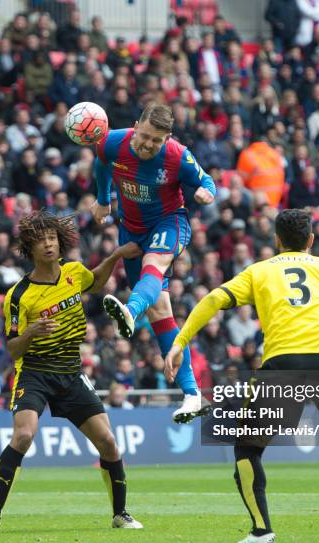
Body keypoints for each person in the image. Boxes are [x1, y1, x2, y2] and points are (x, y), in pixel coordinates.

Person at [165, 209, 319, 543]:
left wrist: (179, 343)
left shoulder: (259, 272)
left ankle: (261, 532)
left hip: (282, 364)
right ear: (311, 240)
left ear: (277, 240)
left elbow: (212, 299)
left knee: (247, 448)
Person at [0, 212, 143, 533]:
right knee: (23, 436)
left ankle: (120, 513)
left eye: (52, 238)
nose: (48, 244)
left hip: (70, 370)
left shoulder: (73, 272)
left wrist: (117, 255)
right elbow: (12, 350)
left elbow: (95, 280)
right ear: (30, 248)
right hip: (35, 372)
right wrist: (31, 333)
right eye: (41, 240)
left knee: (108, 442)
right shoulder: (19, 295)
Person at [92, 103, 216, 424]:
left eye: (156, 141)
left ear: (167, 139)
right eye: (144, 136)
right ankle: (191, 394)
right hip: (130, 229)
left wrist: (205, 192)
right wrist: (104, 200)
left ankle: (130, 313)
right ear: (135, 125)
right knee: (161, 313)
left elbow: (208, 182)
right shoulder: (112, 142)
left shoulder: (177, 155)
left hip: (169, 223)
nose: (148, 145)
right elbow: (101, 165)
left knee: (154, 264)